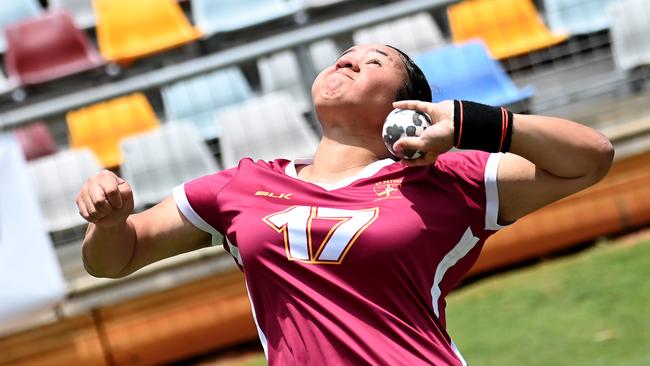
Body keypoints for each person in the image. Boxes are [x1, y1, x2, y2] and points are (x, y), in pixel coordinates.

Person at [77, 44, 614, 365]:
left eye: (373, 62)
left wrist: (474, 122)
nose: (349, 63)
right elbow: (114, 260)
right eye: (343, 57)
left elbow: (591, 157)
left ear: (405, 102)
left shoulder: (443, 178)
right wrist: (108, 220)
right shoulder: (238, 187)